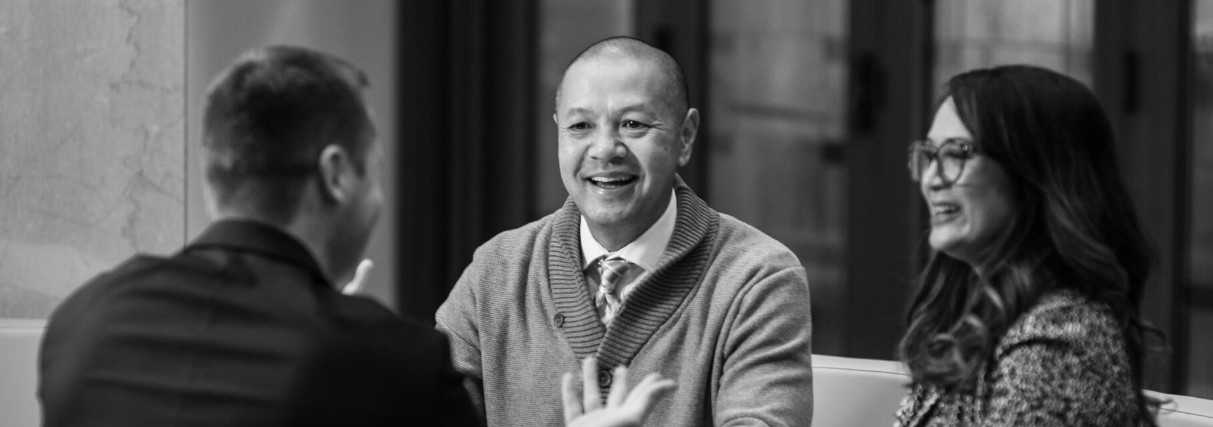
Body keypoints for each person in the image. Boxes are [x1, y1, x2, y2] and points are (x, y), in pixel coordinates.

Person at [37, 46, 480, 427]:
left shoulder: (80, 323)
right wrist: (359, 337)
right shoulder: (398, 365)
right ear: (337, 174)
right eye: (376, 170)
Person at [435, 36, 814, 426]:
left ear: (685, 136)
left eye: (633, 124)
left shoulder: (757, 278)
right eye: (580, 126)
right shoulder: (497, 271)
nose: (604, 149)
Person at [894, 65, 1162, 426]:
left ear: (1034, 173)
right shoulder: (972, 321)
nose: (931, 179)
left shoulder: (1060, 341)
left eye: (958, 153)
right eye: (929, 154)